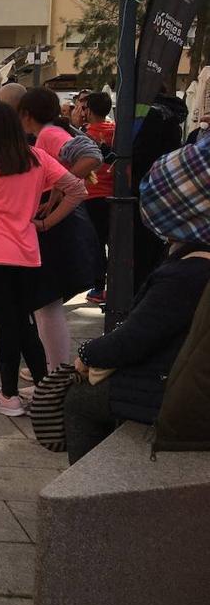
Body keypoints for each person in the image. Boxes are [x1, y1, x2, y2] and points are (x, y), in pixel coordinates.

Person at [64, 136, 210, 462]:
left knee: (79, 400)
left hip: (175, 388)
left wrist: (87, 353)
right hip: (178, 370)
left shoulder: (189, 272)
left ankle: (85, 493)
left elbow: (134, 340)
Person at [0, 101, 86, 416]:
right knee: (23, 323)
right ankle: (46, 391)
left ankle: (9, 395)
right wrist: (45, 222)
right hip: (27, 251)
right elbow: (78, 190)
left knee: (5, 325)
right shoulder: (38, 158)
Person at [19, 87, 103, 372]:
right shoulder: (52, 132)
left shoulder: (48, 134)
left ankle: (55, 374)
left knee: (46, 305)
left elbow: (92, 156)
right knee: (44, 306)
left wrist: (62, 183)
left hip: (58, 228)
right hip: (61, 223)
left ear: (26, 114)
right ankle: (52, 368)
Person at [82, 91, 115, 305]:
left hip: (92, 195)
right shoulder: (116, 131)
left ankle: (98, 287)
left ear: (89, 111)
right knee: (114, 243)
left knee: (96, 243)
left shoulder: (85, 134)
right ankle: (115, 285)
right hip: (115, 195)